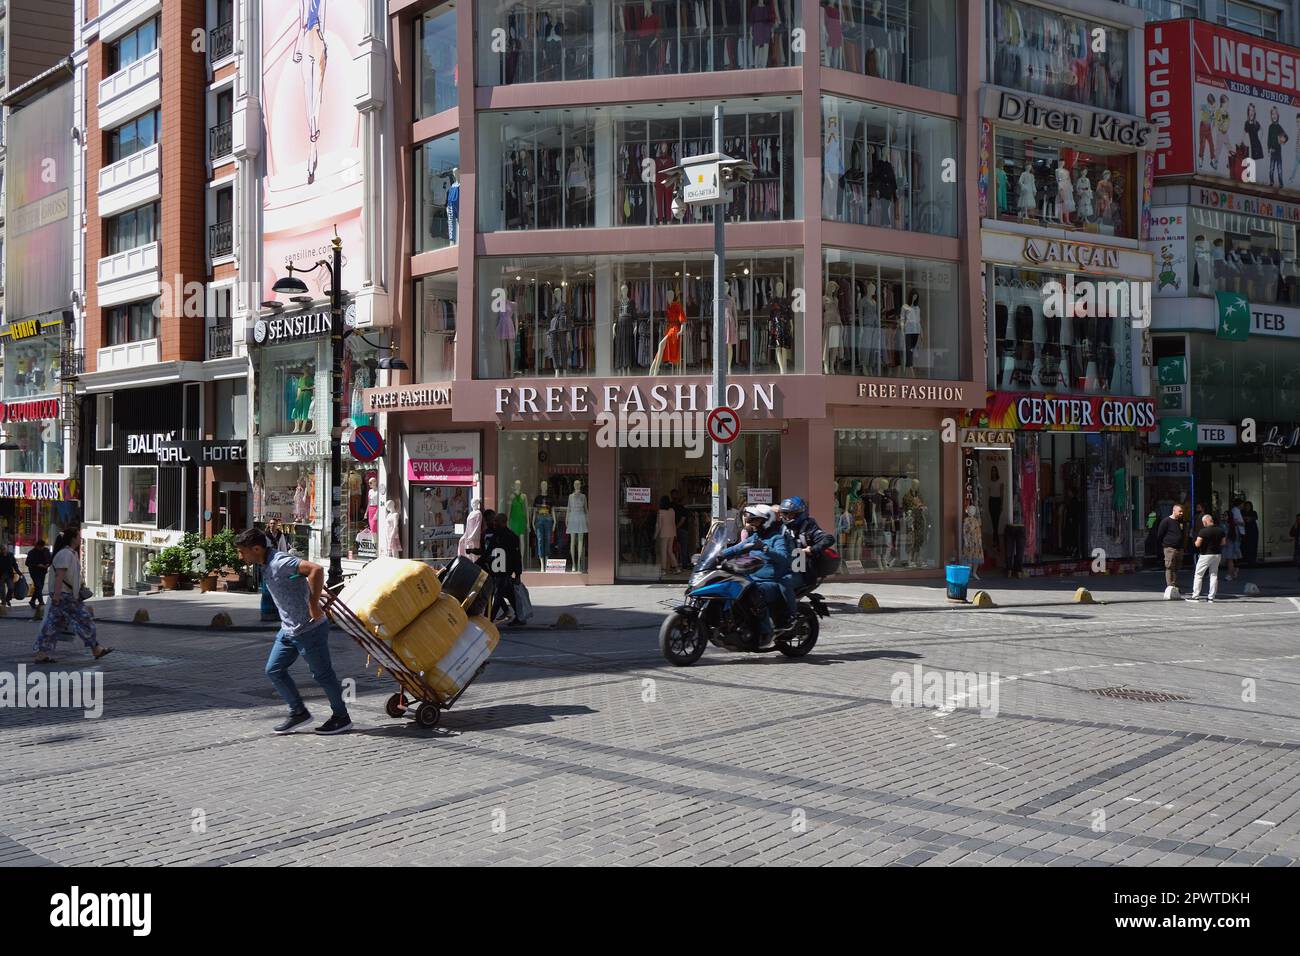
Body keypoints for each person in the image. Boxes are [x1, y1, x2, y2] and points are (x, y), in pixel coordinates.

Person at [235, 528, 352, 735]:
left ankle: (341, 717)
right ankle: (298, 712)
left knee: (323, 675)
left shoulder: (280, 562)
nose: (240, 556)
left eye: (243, 552)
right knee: (274, 670)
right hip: (288, 631)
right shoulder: (265, 564)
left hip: (309, 629)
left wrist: (313, 605)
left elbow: (315, 569)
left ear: (256, 548)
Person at [717, 504, 796, 644]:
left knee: (754, 593)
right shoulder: (755, 537)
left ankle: (766, 631)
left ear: (766, 521)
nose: (751, 524)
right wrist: (719, 555)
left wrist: (765, 548)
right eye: (751, 520)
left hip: (772, 581)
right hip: (752, 577)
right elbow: (737, 547)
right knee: (729, 585)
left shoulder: (776, 538)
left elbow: (783, 557)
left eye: (755, 520)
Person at [33, 527, 113, 664]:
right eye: (78, 536)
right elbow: (60, 576)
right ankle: (96, 648)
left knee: (53, 624)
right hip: (65, 596)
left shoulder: (69, 554)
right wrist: (57, 596)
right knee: (84, 620)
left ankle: (42, 653)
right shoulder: (65, 554)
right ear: (73, 538)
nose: (80, 539)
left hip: (63, 595)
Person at [780, 495, 835, 589]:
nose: (787, 517)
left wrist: (811, 550)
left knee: (784, 584)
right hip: (785, 564)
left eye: (791, 514)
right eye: (785, 513)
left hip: (802, 569)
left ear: (799, 514)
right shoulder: (783, 527)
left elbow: (828, 538)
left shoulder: (808, 527)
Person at [485, 512, 522, 624]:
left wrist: (518, 575)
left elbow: (516, 557)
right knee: (510, 595)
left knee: (497, 595)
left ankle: (488, 620)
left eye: (497, 521)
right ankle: (520, 617)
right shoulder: (495, 536)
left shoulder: (511, 537)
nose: (494, 523)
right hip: (496, 571)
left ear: (504, 522)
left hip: (505, 572)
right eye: (494, 521)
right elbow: (488, 553)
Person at [1186, 512, 1226, 603]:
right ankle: (1211, 597)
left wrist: (1196, 542)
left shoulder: (1203, 531)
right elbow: (1223, 543)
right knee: (1214, 575)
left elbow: (1197, 544)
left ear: (1205, 522)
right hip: (1217, 554)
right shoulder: (1220, 530)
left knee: (1199, 575)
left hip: (1205, 555)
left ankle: (1195, 596)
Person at [1154, 504, 1186, 594]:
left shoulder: (1181, 521)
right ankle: (1170, 586)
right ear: (1174, 511)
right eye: (1179, 511)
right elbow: (1160, 534)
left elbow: (1183, 533)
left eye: (1182, 511)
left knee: (1176, 567)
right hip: (1169, 547)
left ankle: (1174, 584)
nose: (1181, 513)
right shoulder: (1166, 521)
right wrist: (1164, 545)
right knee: (1169, 567)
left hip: (1179, 548)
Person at [1222, 498, 1245, 580]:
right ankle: (1233, 572)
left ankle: (1230, 574)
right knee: (1230, 560)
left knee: (1229, 560)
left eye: (1225, 515)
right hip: (1231, 545)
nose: (1224, 517)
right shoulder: (1230, 525)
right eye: (1223, 515)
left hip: (1229, 545)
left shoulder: (1228, 525)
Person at [656, 496, 679, 574]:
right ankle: (676, 567)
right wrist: (675, 533)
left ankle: (663, 569)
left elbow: (659, 525)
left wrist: (655, 535)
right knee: (670, 551)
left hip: (664, 533)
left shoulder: (660, 512)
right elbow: (673, 522)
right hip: (672, 532)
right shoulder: (672, 511)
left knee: (663, 551)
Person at [26, 539, 51, 608]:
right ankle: (41, 602)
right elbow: (27, 563)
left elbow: (50, 559)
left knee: (39, 587)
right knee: (38, 586)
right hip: (34, 572)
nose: (41, 548)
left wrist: (48, 564)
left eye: (42, 547)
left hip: (43, 571)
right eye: (40, 547)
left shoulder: (46, 551)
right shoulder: (32, 552)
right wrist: (37, 565)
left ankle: (32, 600)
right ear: (37, 546)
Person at [1243, 500, 1259, 566]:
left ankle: (1253, 560)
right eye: (1246, 506)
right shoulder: (1242, 512)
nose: (1247, 507)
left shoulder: (1253, 512)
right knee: (1246, 545)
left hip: (1253, 531)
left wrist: (1247, 518)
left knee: (1253, 545)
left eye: (1248, 506)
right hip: (1245, 531)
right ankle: (1247, 559)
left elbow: (1253, 518)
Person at [1290, 514, 1300, 578]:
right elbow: (1291, 534)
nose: (1298, 520)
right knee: (1296, 560)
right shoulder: (1296, 525)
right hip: (1298, 546)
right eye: (1297, 519)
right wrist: (1295, 527)